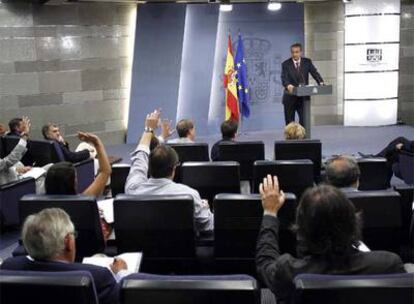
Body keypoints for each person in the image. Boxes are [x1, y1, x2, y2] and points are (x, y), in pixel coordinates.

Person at [256, 177, 405, 304]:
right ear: (353, 222)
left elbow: (265, 262)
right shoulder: (388, 264)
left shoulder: (288, 272)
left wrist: (270, 213)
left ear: (301, 231)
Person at [1, 208, 128, 304]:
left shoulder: (8, 267)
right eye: (73, 235)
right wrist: (121, 272)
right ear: (68, 242)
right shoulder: (99, 276)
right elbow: (127, 297)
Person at [125, 110, 214, 233]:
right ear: (174, 169)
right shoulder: (189, 195)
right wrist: (204, 209)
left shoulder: (132, 190)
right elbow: (207, 226)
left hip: (143, 251)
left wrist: (149, 130)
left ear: (148, 167)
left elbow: (139, 159)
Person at [45, 132, 111, 197]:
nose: (58, 133)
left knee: (83, 145)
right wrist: (96, 142)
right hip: (74, 159)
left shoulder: (38, 205)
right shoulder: (83, 202)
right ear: (74, 183)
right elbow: (105, 172)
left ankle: (94, 154)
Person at [281, 43, 324, 126]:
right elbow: (284, 78)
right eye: (293, 52)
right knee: (290, 123)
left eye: (296, 52)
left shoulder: (307, 62)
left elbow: (315, 73)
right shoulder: (285, 64)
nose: (294, 54)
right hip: (290, 97)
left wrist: (320, 82)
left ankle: (304, 138)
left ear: (301, 52)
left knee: (304, 121)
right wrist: (288, 85)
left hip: (303, 98)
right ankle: (291, 139)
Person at [0, 117, 31, 185]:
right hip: (11, 186)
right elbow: (8, 161)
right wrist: (25, 135)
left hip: (14, 176)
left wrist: (16, 170)